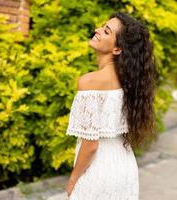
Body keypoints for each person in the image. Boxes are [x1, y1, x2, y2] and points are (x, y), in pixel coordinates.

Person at [65, 12, 157, 200]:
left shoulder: (89, 82)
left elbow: (90, 145)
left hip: (98, 171)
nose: (97, 30)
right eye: (102, 26)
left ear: (117, 49)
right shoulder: (132, 82)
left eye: (106, 31)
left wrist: (73, 179)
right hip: (124, 167)